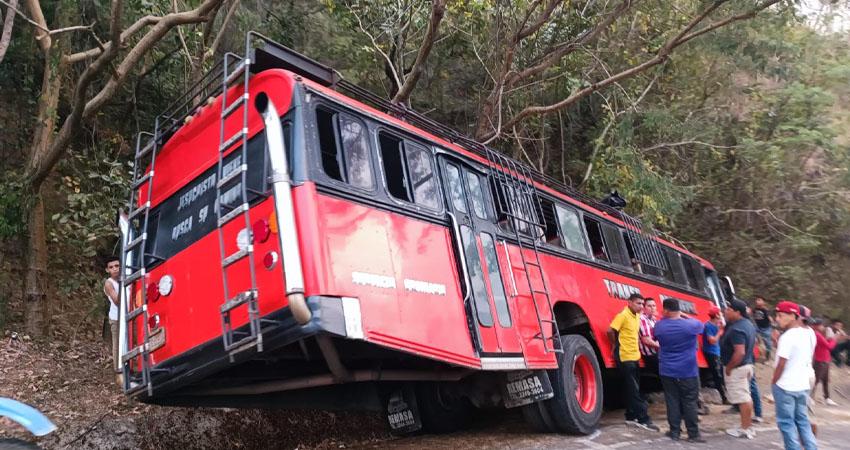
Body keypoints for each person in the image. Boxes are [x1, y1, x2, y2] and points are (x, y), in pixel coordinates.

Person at [654, 298, 706, 443]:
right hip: (688, 371)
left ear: (666, 310)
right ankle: (693, 434)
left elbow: (656, 337)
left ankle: (674, 431)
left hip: (667, 370)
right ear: (679, 310)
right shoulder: (692, 325)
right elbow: (701, 327)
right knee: (690, 402)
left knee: (672, 401)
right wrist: (683, 315)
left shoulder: (659, 326)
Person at [608, 293, 659, 431]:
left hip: (635, 356)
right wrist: (614, 345)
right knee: (634, 389)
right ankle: (644, 419)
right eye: (638, 303)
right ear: (629, 302)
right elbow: (610, 330)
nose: (641, 306)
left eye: (642, 304)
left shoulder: (637, 316)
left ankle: (630, 416)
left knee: (631, 388)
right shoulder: (623, 315)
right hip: (625, 357)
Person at [772, 301, 818, 450]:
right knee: (803, 421)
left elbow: (781, 364)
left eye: (780, 315)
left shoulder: (787, 337)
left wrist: (774, 382)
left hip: (786, 386)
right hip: (802, 385)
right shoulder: (807, 333)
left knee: (787, 424)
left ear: (792, 315)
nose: (777, 319)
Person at [722, 299, 757, 439]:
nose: (726, 311)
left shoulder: (737, 329)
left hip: (738, 368)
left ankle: (745, 429)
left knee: (743, 399)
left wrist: (729, 367)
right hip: (747, 365)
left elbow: (740, 352)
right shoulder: (747, 324)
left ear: (737, 312)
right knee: (746, 396)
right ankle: (747, 425)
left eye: (729, 309)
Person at [702, 306, 729, 404]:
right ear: (716, 315)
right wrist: (720, 331)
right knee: (717, 375)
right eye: (720, 313)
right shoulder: (709, 325)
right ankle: (724, 397)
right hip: (711, 352)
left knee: (721, 373)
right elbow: (712, 341)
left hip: (716, 351)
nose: (721, 314)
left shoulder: (718, 324)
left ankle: (725, 395)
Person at [103, 256, 122, 385]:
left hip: (130, 315)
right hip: (116, 318)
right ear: (107, 270)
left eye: (117, 266)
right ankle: (119, 373)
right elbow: (117, 301)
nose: (115, 269)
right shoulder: (109, 284)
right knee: (117, 346)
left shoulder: (125, 277)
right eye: (111, 267)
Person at [812, 319, 838, 406]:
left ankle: (827, 398)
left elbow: (825, 343)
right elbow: (830, 346)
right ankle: (810, 397)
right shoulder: (817, 334)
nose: (823, 327)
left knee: (825, 381)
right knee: (815, 380)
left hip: (825, 360)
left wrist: (828, 337)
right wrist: (834, 339)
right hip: (820, 361)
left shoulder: (818, 334)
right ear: (817, 326)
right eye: (822, 325)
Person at [639, 297, 660, 377]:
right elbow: (646, 340)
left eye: (654, 306)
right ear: (644, 308)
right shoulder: (642, 319)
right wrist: (660, 347)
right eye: (649, 306)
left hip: (656, 353)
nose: (652, 308)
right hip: (650, 355)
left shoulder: (653, 319)